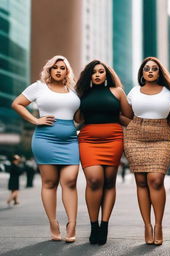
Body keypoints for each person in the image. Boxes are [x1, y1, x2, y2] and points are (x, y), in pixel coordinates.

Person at [11, 55, 80, 242]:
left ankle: (72, 224)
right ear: (49, 70)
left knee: (70, 181)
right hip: (45, 139)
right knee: (49, 183)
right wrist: (35, 120)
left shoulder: (73, 91)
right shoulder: (38, 87)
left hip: (71, 141)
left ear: (67, 71)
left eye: (62, 67)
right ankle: (53, 223)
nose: (58, 70)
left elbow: (79, 117)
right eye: (55, 67)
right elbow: (17, 103)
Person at [75, 60, 132, 245]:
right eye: (94, 72)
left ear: (107, 74)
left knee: (109, 182)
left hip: (114, 139)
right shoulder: (82, 93)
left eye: (101, 71)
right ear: (89, 76)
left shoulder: (117, 91)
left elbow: (128, 116)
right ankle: (93, 225)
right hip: (88, 140)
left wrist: (115, 115)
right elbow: (78, 119)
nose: (98, 75)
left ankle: (104, 225)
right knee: (94, 180)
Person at [124, 57, 170, 245]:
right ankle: (147, 225)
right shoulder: (134, 92)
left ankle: (159, 225)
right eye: (147, 68)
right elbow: (127, 116)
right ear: (142, 72)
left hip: (161, 137)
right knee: (141, 181)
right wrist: (135, 127)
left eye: (154, 69)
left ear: (160, 72)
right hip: (135, 137)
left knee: (155, 179)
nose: (151, 71)